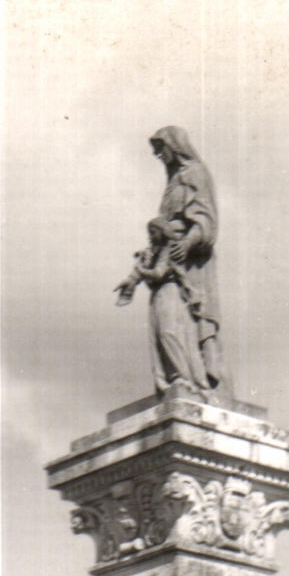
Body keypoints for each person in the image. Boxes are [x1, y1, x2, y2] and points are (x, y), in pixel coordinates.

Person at [115, 126, 225, 395]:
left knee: (173, 328)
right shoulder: (172, 184)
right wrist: (133, 278)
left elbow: (206, 220)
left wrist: (187, 243)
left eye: (160, 149)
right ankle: (177, 380)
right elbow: (158, 240)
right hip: (168, 267)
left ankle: (189, 381)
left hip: (188, 267)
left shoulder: (196, 173)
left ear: (174, 146)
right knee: (160, 332)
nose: (159, 155)